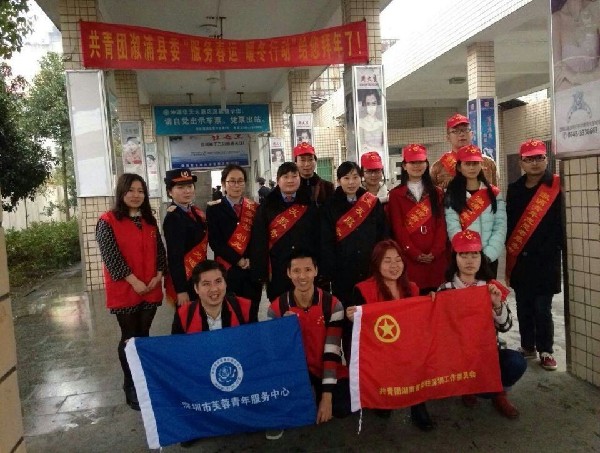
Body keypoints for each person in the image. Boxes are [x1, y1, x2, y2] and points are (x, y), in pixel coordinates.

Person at [438, 229, 527, 419]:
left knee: (516, 362)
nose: (469, 261)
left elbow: (506, 326)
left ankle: (500, 393)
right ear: (455, 258)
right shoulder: (445, 290)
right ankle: (468, 388)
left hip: (488, 354)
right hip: (459, 358)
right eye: (463, 255)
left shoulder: (490, 287)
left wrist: (497, 305)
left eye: (474, 255)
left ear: (481, 258)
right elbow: (439, 331)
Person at [96, 173, 166, 411]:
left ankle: (144, 379)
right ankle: (130, 384)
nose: (136, 195)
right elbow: (111, 257)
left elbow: (160, 250)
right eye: (131, 190)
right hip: (125, 289)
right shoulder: (107, 221)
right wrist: (134, 282)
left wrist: (158, 274)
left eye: (141, 191)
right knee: (129, 336)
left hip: (150, 287)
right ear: (121, 192)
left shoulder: (149, 220)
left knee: (143, 334)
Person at [345, 240, 432, 430]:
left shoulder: (413, 288)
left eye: (398, 260)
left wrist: (432, 302)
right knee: (382, 408)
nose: (394, 265)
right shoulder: (363, 289)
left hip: (408, 349)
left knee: (419, 356)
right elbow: (360, 332)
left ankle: (418, 404)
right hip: (381, 351)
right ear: (376, 264)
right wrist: (353, 318)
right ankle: (384, 397)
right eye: (387, 261)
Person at [267, 251, 350, 440]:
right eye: (296, 271)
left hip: (323, 366)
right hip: (294, 371)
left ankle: (319, 393)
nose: (302, 276)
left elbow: (332, 352)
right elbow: (276, 354)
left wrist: (327, 397)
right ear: (288, 273)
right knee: (293, 410)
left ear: (316, 271)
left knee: (342, 407)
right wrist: (284, 330)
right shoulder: (276, 309)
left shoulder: (333, 305)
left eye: (307, 270)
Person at [506, 139, 563, 370]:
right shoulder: (515, 189)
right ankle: (527, 346)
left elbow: (560, 225)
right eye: (529, 159)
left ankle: (546, 350)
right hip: (521, 259)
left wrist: (549, 248)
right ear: (521, 162)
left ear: (546, 159)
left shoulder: (557, 186)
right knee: (523, 305)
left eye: (539, 157)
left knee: (542, 308)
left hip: (546, 259)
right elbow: (511, 223)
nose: (535, 163)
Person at [320, 161, 387, 307]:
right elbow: (326, 241)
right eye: (346, 178)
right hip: (342, 270)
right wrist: (331, 270)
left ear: (360, 178)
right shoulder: (329, 206)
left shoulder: (372, 202)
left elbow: (382, 234)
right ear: (338, 181)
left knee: (370, 308)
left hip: (369, 267)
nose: (351, 182)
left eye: (355, 177)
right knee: (346, 309)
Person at [251, 162, 320, 301]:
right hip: (278, 270)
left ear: (300, 179)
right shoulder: (266, 206)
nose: (290, 180)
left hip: (305, 270)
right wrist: (262, 273)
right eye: (285, 176)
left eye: (294, 176)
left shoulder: (309, 203)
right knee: (280, 307)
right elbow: (259, 241)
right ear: (278, 180)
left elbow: (318, 237)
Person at [388, 144, 447, 294]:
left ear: (426, 164)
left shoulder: (437, 193)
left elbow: (441, 224)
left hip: (436, 259)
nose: (417, 166)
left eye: (420, 162)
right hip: (410, 259)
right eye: (412, 162)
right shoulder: (395, 195)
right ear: (404, 166)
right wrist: (414, 253)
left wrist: (435, 251)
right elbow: (398, 228)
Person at [206, 165, 262, 322]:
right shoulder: (214, 209)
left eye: (240, 181)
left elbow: (259, 239)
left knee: (252, 315)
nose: (236, 185)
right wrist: (239, 260)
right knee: (230, 316)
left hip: (251, 272)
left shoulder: (254, 208)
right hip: (227, 272)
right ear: (224, 183)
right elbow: (215, 242)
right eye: (232, 181)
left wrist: (252, 260)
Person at [445, 144, 506, 278]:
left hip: (489, 258)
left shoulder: (493, 193)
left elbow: (500, 226)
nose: (472, 167)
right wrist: (467, 254)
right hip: (464, 259)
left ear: (481, 165)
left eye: (475, 163)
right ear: (459, 167)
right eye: (467, 164)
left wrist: (488, 255)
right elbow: (452, 226)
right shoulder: (452, 194)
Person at [162, 169, 208, 332]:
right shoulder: (173, 218)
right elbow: (174, 257)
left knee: (197, 321)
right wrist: (181, 290)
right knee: (185, 322)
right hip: (185, 280)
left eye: (189, 186)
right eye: (180, 187)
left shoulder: (194, 212)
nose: (187, 191)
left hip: (197, 277)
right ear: (170, 192)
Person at [172, 260, 252, 334]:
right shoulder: (184, 315)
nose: (214, 289)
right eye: (206, 284)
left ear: (226, 283)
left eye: (218, 281)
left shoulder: (245, 307)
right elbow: (178, 344)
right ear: (196, 288)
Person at [431, 114, 498, 190]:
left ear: (472, 134)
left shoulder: (488, 162)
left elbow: (494, 192)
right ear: (448, 137)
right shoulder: (438, 166)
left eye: (465, 130)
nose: (462, 134)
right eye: (455, 131)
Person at [552, 0, 600, 91]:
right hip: (567, 94)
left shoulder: (596, 13)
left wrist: (574, 77)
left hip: (595, 94)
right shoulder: (556, 20)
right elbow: (558, 77)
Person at [293, 142, 335, 207]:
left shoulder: (327, 187)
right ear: (295, 163)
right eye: (302, 160)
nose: (307, 164)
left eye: (310, 159)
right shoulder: (291, 188)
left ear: (315, 161)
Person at [358, 89, 384, 154]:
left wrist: (369, 147)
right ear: (365, 105)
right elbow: (361, 147)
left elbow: (384, 147)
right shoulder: (361, 123)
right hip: (366, 157)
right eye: (368, 104)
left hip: (380, 157)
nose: (371, 107)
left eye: (374, 103)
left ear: (377, 104)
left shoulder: (381, 124)